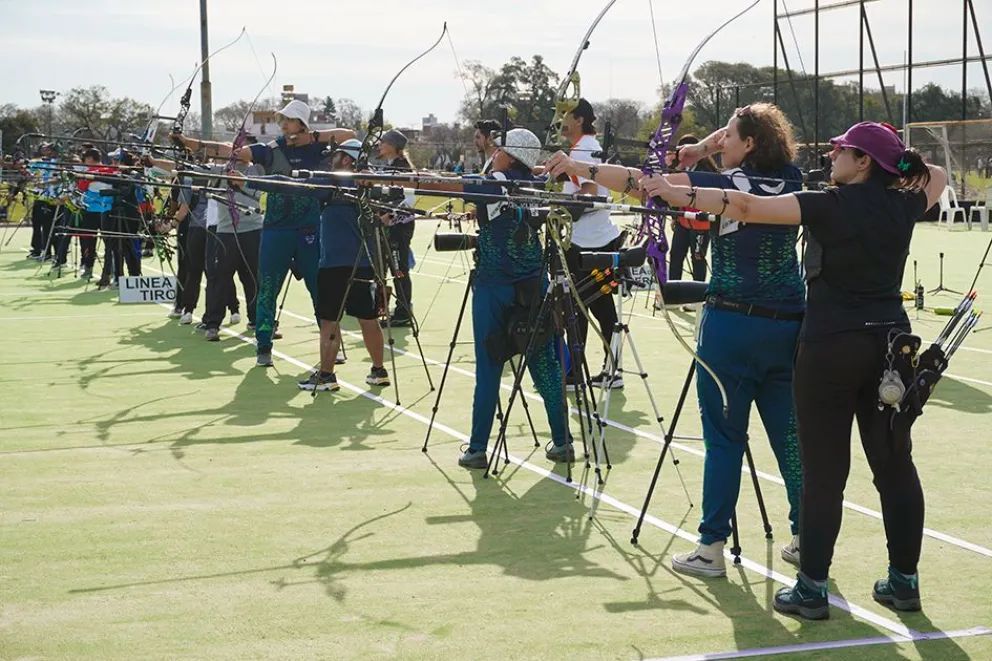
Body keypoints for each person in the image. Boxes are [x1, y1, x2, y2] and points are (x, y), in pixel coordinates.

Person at [641, 120, 946, 619]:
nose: (832, 153)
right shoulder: (905, 202)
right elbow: (932, 173)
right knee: (894, 465)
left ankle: (811, 588)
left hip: (830, 348)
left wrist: (679, 191)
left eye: (843, 149)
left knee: (824, 472)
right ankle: (904, 582)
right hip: (892, 346)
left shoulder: (827, 205)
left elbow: (743, 207)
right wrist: (902, 163)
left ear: (864, 162)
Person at [546, 102, 805, 578]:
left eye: (727, 136)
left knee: (725, 438)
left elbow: (637, 180)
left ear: (748, 144)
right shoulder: (792, 178)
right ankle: (807, 536)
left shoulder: (724, 186)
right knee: (789, 434)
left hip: (732, 327)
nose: (718, 143)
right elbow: (670, 173)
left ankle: (710, 548)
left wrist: (578, 166)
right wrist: (703, 148)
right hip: (789, 324)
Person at [398, 128, 573, 469]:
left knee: (490, 363)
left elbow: (446, 186)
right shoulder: (534, 183)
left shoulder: (494, 180)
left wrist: (410, 179)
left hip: (495, 286)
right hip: (534, 282)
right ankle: (563, 441)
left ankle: (478, 448)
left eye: (498, 148)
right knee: (544, 362)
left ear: (507, 154)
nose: (493, 151)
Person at [174, 99, 356, 367]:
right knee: (267, 288)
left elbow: (349, 136)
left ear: (302, 124)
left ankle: (332, 346)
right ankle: (263, 346)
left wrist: (311, 137)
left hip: (310, 230)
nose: (283, 124)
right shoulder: (271, 150)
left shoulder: (321, 148)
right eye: (281, 120)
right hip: (275, 230)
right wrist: (190, 143)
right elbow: (231, 151)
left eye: (289, 120)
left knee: (321, 292)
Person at [241, 139, 389, 390]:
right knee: (367, 318)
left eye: (337, 155)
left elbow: (293, 186)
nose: (332, 159)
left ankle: (326, 376)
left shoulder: (332, 182)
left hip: (334, 265)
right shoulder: (367, 183)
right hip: (362, 263)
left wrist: (247, 181)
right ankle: (378, 370)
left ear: (346, 160)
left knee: (329, 320)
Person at [557, 98, 623, 390]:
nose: (561, 120)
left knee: (578, 305)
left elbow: (589, 191)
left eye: (566, 115)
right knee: (599, 305)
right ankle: (611, 370)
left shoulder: (584, 148)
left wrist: (558, 208)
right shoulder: (584, 146)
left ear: (580, 119)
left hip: (587, 242)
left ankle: (575, 374)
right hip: (596, 238)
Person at [377, 129, 417, 327]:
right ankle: (389, 307)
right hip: (390, 225)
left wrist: (390, 215)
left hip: (399, 226)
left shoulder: (402, 169)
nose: (379, 145)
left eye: (383, 142)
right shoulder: (389, 166)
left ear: (393, 146)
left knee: (399, 268)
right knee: (392, 267)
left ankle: (403, 312)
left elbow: (408, 200)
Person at [667, 134, 717, 283]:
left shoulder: (706, 171)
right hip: (683, 221)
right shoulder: (680, 169)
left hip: (701, 223)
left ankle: (697, 298)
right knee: (675, 254)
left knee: (697, 258)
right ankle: (673, 292)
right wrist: (675, 216)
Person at [27, 143, 59, 261]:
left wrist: (45, 183)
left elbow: (57, 179)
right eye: (44, 149)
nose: (45, 151)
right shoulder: (41, 162)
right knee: (37, 224)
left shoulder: (57, 163)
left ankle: (49, 253)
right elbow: (29, 168)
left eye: (48, 149)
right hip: (40, 197)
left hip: (52, 199)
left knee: (48, 227)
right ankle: (39, 250)